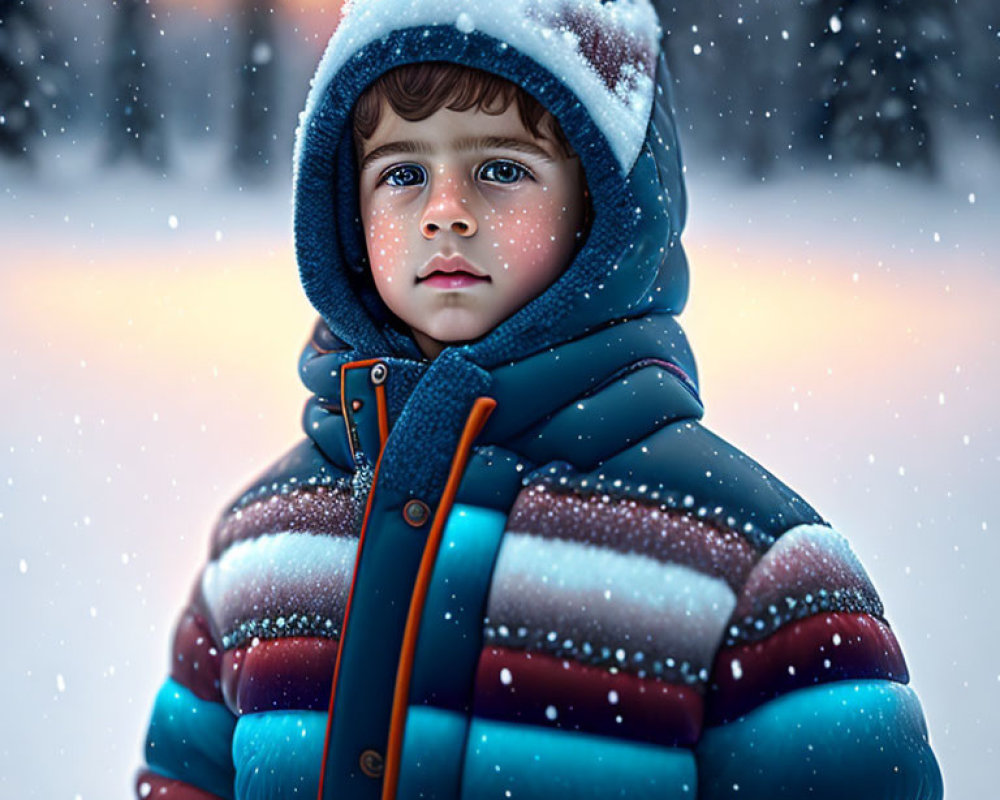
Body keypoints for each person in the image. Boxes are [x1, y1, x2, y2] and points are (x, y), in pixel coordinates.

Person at [135, 1, 943, 798]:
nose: (445, 213)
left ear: (602, 205)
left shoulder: (754, 563)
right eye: (403, 173)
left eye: (500, 169)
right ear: (347, 213)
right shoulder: (265, 546)